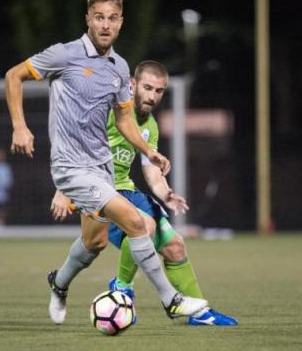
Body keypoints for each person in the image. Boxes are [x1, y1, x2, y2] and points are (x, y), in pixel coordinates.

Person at [5, 0, 208, 325]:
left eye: (112, 18)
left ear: (121, 23)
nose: (105, 25)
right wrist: (19, 127)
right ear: (88, 19)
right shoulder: (64, 55)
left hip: (102, 168)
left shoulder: (119, 68)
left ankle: (59, 282)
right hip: (71, 167)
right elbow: (14, 76)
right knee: (137, 222)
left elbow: (125, 120)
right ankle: (171, 300)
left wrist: (148, 152)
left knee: (94, 243)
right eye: (99, 17)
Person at [51, 60, 238, 325]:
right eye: (147, 88)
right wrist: (62, 188)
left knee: (175, 245)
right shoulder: (106, 109)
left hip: (125, 189)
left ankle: (200, 314)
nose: (152, 96)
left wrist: (165, 193)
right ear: (133, 84)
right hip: (96, 188)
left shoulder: (149, 123)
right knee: (132, 231)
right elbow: (74, 143)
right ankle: (121, 287)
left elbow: (149, 167)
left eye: (159, 91)